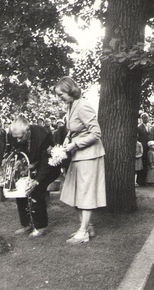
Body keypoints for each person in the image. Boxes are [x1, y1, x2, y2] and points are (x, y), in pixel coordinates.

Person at [53, 76, 106, 244]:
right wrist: (67, 141)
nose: (59, 98)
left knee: (85, 193)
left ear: (70, 91)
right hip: (78, 155)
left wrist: (74, 145)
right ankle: (88, 226)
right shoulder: (71, 106)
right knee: (74, 192)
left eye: (61, 94)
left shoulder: (83, 106)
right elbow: (74, 129)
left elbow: (96, 133)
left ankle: (83, 232)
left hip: (89, 155)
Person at [7, 115, 61, 237]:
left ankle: (41, 226)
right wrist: (20, 162)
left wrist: (36, 181)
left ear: (27, 131)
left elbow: (46, 162)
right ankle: (26, 224)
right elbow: (19, 150)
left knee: (36, 190)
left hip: (49, 166)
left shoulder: (43, 135)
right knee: (20, 189)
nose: (18, 140)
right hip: (33, 165)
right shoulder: (15, 134)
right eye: (16, 138)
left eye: (20, 137)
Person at [137, 112, 153, 186]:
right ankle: (141, 181)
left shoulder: (150, 126)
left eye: (147, 118)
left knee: (148, 163)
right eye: (144, 118)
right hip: (142, 147)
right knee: (142, 163)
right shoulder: (139, 127)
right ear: (141, 119)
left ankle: (147, 180)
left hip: (148, 147)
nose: (145, 119)